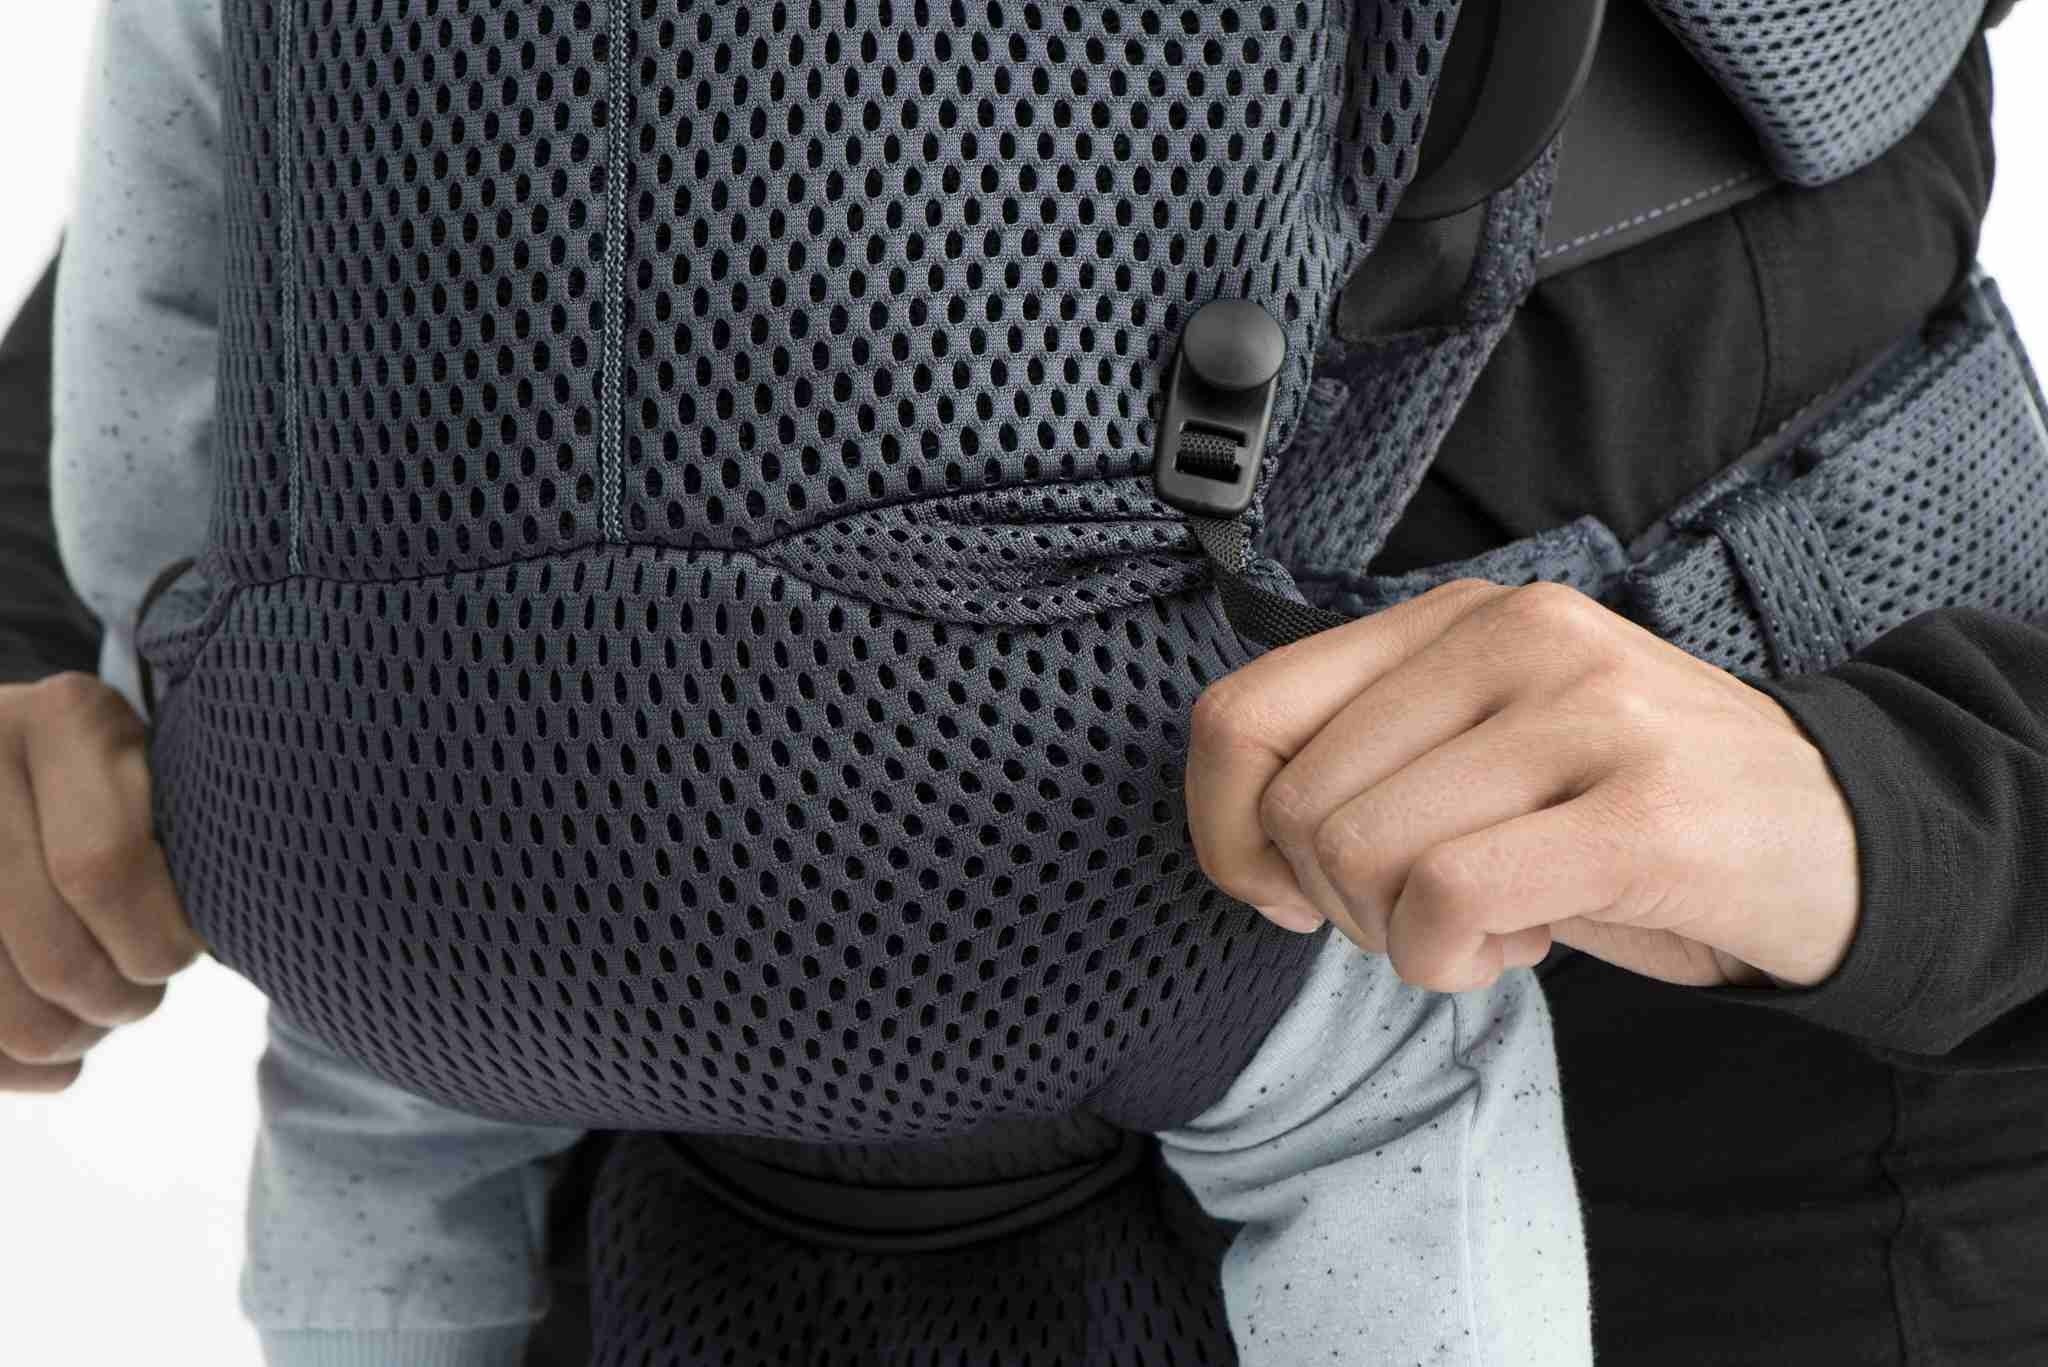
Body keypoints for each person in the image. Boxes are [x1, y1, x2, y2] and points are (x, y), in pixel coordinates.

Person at [5, 6, 2046, 1367]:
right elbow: (311, 160)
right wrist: (34, 669)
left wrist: (1897, 810)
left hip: (1740, 1193)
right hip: (636, 1166)